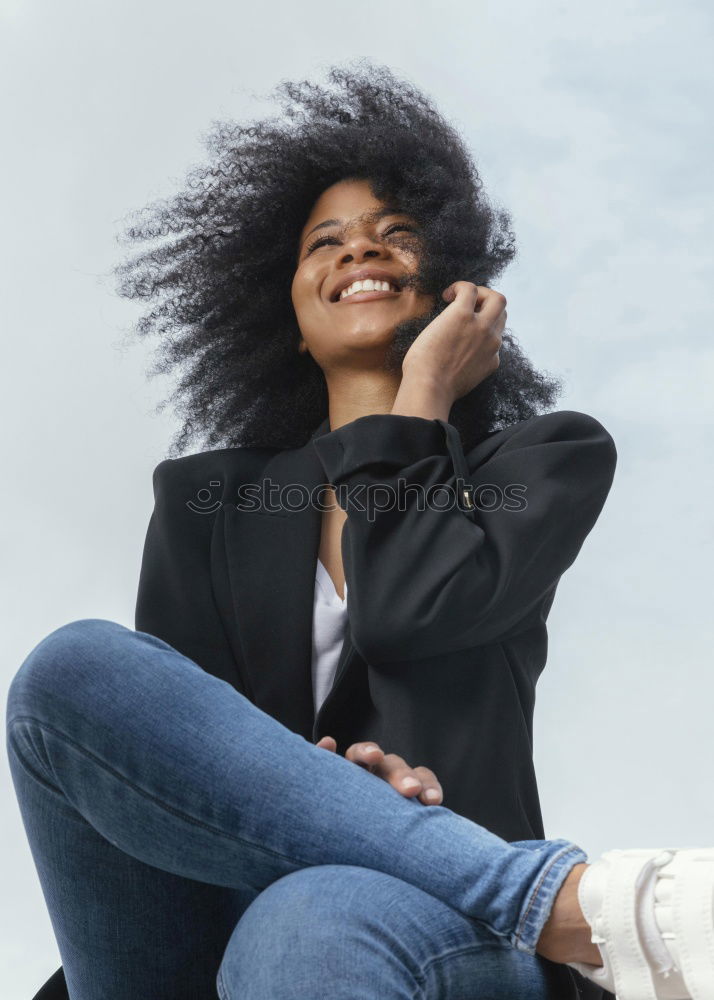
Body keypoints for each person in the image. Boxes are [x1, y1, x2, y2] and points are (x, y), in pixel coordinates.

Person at [6, 60, 714, 1000]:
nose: (357, 252)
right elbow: (179, 760)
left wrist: (420, 394)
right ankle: (569, 904)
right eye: (324, 243)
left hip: (437, 930)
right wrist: (330, 789)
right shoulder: (207, 500)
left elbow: (410, 611)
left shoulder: (540, 463)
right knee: (72, 669)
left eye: (398, 235)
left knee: (313, 917)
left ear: (456, 291)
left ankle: (524, 904)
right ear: (291, 319)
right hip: (208, 924)